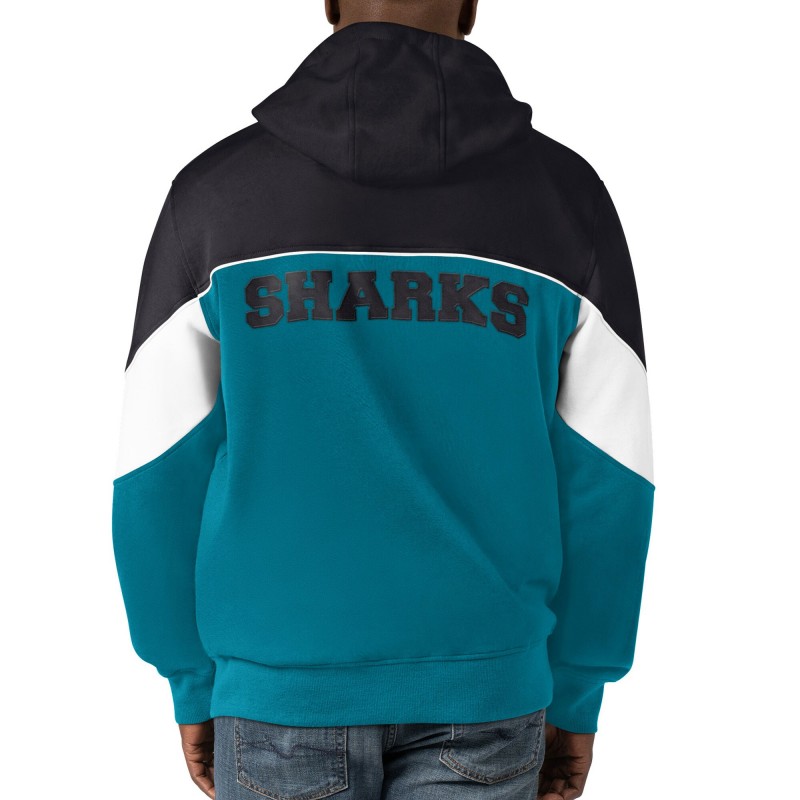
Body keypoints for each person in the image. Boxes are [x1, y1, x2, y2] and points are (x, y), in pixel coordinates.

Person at [111, 0, 655, 797]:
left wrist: (192, 681)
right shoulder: (566, 200)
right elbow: (609, 480)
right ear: (470, 6)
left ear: (329, 3)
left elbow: (157, 473)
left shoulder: (214, 198)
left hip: (277, 691)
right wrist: (576, 690)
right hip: (487, 688)